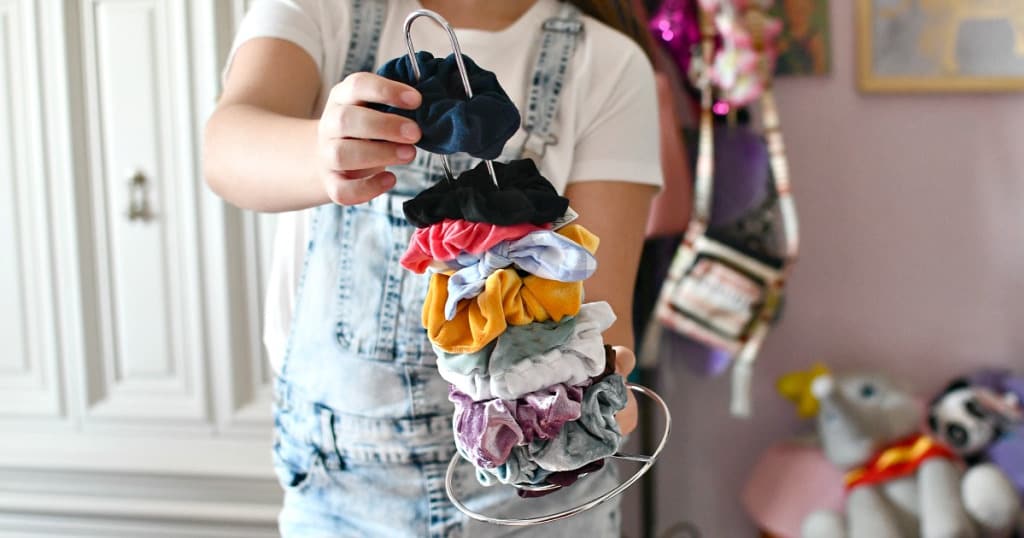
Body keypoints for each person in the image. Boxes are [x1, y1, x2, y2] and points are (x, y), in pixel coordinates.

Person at [204, 0, 662, 535]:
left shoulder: (607, 62)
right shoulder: (322, 11)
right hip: (338, 499)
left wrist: (590, 406)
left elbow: (604, 317)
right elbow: (227, 147)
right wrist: (324, 153)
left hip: (533, 510)